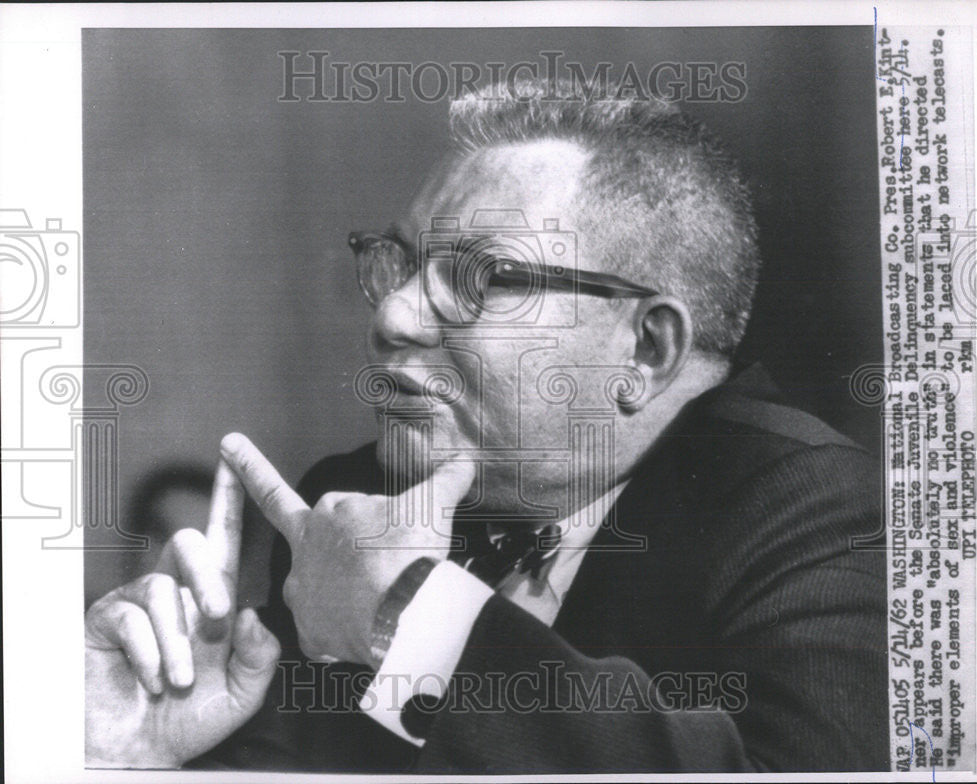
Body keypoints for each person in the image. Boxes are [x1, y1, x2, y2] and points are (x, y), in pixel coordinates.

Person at [85, 78, 889, 773]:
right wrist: (142, 752)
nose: (392, 316)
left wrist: (412, 624)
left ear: (646, 348)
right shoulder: (352, 504)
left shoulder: (824, 513)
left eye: (483, 278)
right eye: (398, 266)